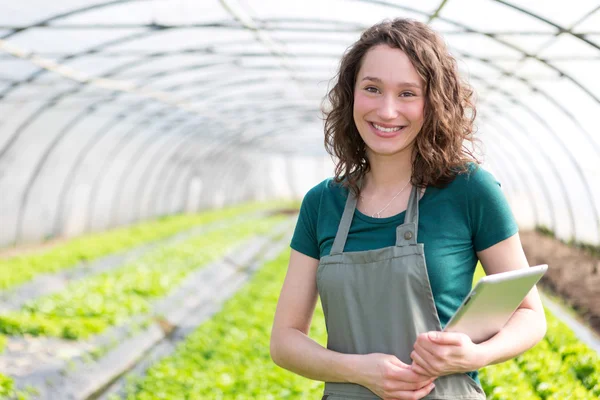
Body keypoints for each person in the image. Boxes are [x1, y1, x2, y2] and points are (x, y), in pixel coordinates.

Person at [270, 18, 546, 400]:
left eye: (407, 94)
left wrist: (474, 354)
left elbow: (530, 315)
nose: (386, 111)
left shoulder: (469, 190)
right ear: (351, 95)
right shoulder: (322, 203)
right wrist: (359, 370)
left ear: (433, 103)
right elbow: (285, 340)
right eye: (372, 89)